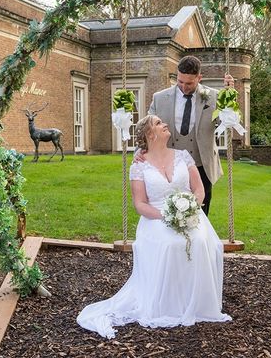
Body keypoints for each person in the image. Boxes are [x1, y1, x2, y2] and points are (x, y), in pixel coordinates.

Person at [77, 115, 231, 339]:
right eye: (159, 124)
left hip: (190, 215)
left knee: (199, 240)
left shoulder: (183, 156)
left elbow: (199, 190)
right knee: (169, 243)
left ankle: (199, 303)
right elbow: (140, 204)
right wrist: (166, 215)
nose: (164, 124)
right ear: (150, 134)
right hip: (155, 217)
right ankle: (169, 304)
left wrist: (190, 209)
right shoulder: (139, 166)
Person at [146, 55, 233, 216]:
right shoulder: (159, 98)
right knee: (170, 212)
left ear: (199, 77)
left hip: (202, 165)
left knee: (200, 215)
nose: (184, 87)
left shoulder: (214, 97)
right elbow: (148, 129)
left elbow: (228, 123)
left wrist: (230, 96)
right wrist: (142, 152)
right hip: (169, 166)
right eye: (180, 81)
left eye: (189, 83)